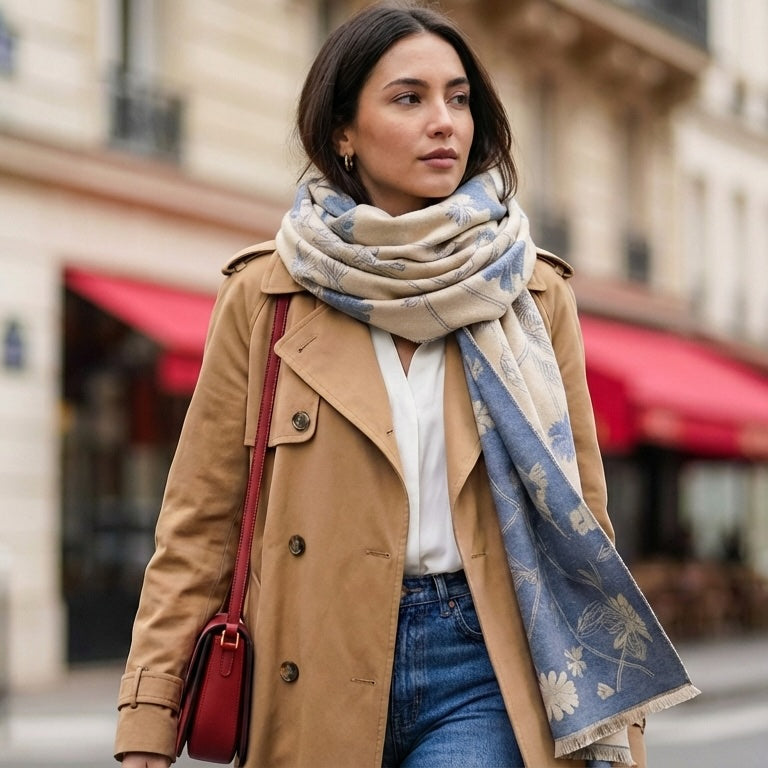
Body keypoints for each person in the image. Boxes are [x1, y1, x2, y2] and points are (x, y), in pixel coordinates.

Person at [115, 2, 698, 767]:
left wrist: (617, 725)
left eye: (459, 99)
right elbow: (198, 526)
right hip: (309, 659)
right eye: (408, 98)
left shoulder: (529, 291)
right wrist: (148, 724)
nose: (445, 122)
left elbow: (580, 518)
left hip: (482, 659)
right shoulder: (269, 295)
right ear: (341, 133)